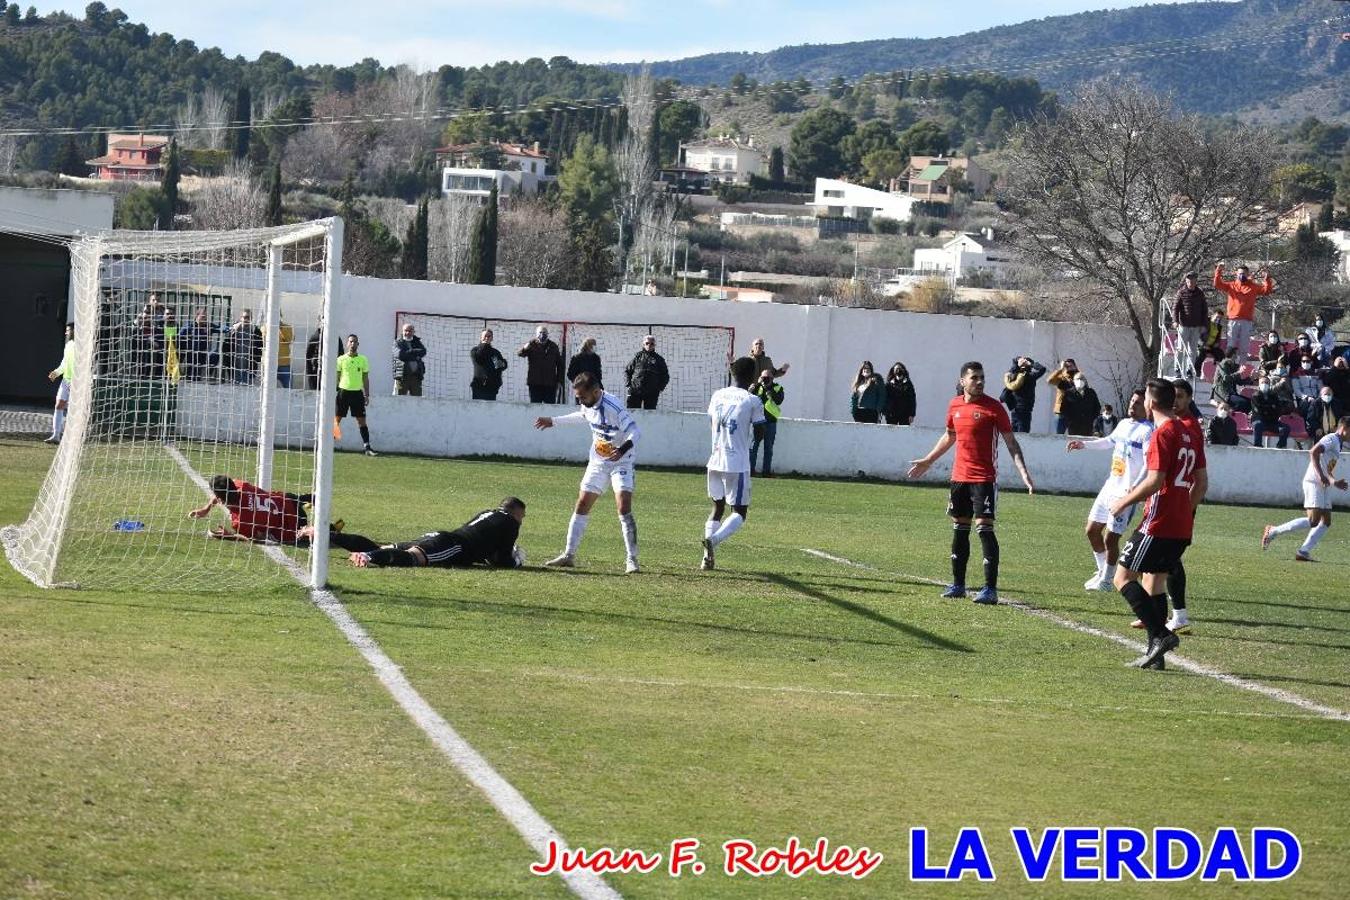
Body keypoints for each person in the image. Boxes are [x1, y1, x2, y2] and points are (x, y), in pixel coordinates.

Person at [907, 361, 1035, 605]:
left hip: (984, 479)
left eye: (982, 377)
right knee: (959, 528)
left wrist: (1023, 472)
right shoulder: (954, 405)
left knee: (984, 528)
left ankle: (990, 589)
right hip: (959, 478)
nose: (979, 381)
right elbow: (950, 436)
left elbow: (1011, 443)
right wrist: (928, 460)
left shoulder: (994, 408)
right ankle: (958, 585)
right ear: (962, 380)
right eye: (974, 377)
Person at [1109, 378, 1206, 668]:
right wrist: (1184, 512)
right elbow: (1201, 483)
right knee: (1156, 582)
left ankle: (1161, 635)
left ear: (1151, 403)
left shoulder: (1162, 433)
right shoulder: (1188, 431)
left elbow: (1155, 481)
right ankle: (1156, 654)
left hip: (1158, 521)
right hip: (1180, 523)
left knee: (1122, 578)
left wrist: (1122, 502)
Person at [534, 372, 641, 574]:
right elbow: (582, 415)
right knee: (582, 503)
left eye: (582, 397)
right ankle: (568, 555)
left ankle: (632, 559)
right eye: (578, 397)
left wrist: (622, 450)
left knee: (623, 507)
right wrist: (553, 421)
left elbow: (636, 432)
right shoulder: (589, 403)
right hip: (599, 461)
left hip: (621, 462)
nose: (580, 400)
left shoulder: (614, 407)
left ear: (595, 391)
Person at [1066, 388, 1152, 591]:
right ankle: (1103, 572)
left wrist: (1135, 486)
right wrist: (1083, 444)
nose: (1133, 405)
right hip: (1110, 487)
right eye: (1132, 401)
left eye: (1138, 402)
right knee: (1091, 530)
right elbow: (1108, 442)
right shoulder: (1122, 424)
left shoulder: (1148, 431)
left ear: (1147, 407)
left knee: (1111, 538)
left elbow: (1149, 464)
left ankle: (1106, 581)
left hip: (1125, 494)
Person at [701, 356, 767, 571]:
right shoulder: (752, 400)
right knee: (739, 512)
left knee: (717, 508)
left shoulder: (717, 395)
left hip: (715, 459)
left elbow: (711, 421)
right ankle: (714, 541)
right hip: (737, 463)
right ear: (752, 376)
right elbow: (760, 431)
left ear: (732, 374)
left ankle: (706, 558)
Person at [337, 498, 526, 569]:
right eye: (522, 516)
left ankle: (326, 535)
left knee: (385, 548)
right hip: (453, 546)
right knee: (412, 558)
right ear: (516, 512)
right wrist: (517, 561)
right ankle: (367, 556)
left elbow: (484, 544)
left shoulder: (488, 513)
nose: (521, 520)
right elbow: (502, 560)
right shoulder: (510, 523)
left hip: (440, 537)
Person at [1262, 416, 1350, 562]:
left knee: (1326, 521)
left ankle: (1303, 552)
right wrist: (1322, 476)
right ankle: (1272, 531)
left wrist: (1333, 481)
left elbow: (1326, 464)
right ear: (1344, 428)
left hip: (1323, 483)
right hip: (1314, 482)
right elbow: (1313, 452)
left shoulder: (1338, 443)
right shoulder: (1332, 439)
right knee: (1313, 520)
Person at [186, 474, 339, 545]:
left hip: (293, 524)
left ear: (219, 498)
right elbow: (227, 492)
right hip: (288, 500)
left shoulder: (240, 521)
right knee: (283, 497)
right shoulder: (242, 486)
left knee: (282, 535)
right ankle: (311, 498)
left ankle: (330, 529)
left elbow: (255, 538)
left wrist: (229, 535)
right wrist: (206, 509)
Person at [1213, 263, 1274, 360]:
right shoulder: (1231, 285)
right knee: (1231, 346)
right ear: (1236, 274)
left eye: (1244, 273)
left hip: (1246, 321)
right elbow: (1217, 284)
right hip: (1233, 320)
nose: (1242, 275)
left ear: (1248, 274)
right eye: (1240, 273)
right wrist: (1218, 271)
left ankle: (1242, 369)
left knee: (1244, 347)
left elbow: (1267, 291)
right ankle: (1228, 367)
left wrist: (1267, 279)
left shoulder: (1253, 286)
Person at [334, 333, 376, 456]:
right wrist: (336, 390)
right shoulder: (340, 359)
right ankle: (329, 445)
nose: (353, 344)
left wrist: (367, 395)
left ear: (358, 344)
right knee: (337, 419)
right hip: (343, 392)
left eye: (355, 342)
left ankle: (367, 447)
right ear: (347, 344)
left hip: (357, 394)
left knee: (361, 421)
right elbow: (336, 377)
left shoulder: (363, 359)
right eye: (351, 342)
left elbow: (365, 378)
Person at [1171, 271, 1209, 378]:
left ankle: (1189, 370)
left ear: (1196, 281)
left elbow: (1204, 310)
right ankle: (1177, 369)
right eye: (1189, 280)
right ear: (1186, 281)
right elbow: (1175, 308)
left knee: (1192, 350)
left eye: (1193, 280)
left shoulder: (1200, 293)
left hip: (1196, 326)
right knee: (1180, 348)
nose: (1191, 282)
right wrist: (1175, 321)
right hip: (1184, 325)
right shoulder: (1181, 292)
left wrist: (1204, 325)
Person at [45, 323, 75, 444]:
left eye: (68, 330)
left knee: (74, 410)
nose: (66, 333)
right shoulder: (68, 345)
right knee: (59, 406)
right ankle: (56, 435)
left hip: (77, 382)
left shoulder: (82, 345)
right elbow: (64, 363)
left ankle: (73, 438)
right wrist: (56, 373)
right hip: (66, 380)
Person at [750, 368, 784, 477]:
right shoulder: (757, 387)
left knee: (768, 448)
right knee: (754, 446)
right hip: (758, 422)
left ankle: (766, 472)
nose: (765, 379)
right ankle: (750, 470)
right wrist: (754, 386)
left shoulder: (777, 388)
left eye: (768, 377)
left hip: (771, 422)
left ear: (772, 378)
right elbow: (747, 396)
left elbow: (779, 401)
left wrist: (771, 393)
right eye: (763, 377)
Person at [518, 325, 564, 404]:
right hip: (535, 383)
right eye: (540, 332)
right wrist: (524, 348)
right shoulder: (531, 344)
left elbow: (560, 365)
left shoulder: (553, 346)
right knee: (535, 407)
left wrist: (559, 380)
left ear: (548, 334)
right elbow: (520, 354)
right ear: (536, 334)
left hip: (550, 384)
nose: (542, 335)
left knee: (549, 408)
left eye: (544, 333)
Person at [624, 335, 670, 410]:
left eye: (652, 344)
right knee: (632, 413)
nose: (649, 345)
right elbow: (627, 371)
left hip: (651, 393)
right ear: (643, 344)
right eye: (647, 343)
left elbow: (665, 376)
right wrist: (629, 385)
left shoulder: (659, 359)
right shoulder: (637, 357)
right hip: (635, 391)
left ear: (654, 345)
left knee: (650, 416)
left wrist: (658, 389)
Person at [1002, 356, 1045, 433]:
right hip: (1023, 409)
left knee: (1015, 432)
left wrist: (1017, 362)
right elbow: (1042, 369)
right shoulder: (1031, 376)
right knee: (1023, 434)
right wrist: (1031, 364)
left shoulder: (1015, 375)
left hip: (1015, 408)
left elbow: (1011, 372)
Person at [177, 308, 221, 382]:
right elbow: (179, 336)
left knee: (215, 354)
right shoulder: (190, 326)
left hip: (203, 354)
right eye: (203, 317)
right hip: (191, 355)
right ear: (197, 316)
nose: (205, 318)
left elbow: (221, 328)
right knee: (192, 378)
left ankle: (207, 374)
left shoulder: (208, 326)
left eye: (206, 317)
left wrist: (231, 327)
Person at [222, 309, 263, 385]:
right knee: (235, 390)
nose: (246, 319)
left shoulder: (255, 330)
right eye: (245, 317)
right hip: (234, 367)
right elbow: (225, 346)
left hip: (249, 367)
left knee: (247, 391)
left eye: (249, 317)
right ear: (241, 318)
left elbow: (260, 346)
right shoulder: (234, 329)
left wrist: (257, 358)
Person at [1249, 373, 1290, 449]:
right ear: (1259, 385)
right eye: (1262, 382)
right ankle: (1258, 446)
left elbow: (1278, 410)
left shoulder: (1274, 395)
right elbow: (1258, 411)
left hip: (1272, 422)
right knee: (1258, 426)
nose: (1265, 384)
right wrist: (1271, 407)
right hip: (1259, 421)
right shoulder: (1255, 396)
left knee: (1286, 428)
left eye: (1266, 383)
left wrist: (1268, 408)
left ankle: (1280, 446)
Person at [469, 329, 508, 401]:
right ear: (481, 338)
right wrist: (483, 345)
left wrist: (503, 364)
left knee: (490, 409)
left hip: (492, 387)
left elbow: (502, 366)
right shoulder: (475, 350)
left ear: (492, 338)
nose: (487, 338)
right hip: (479, 386)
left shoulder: (495, 352)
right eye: (485, 336)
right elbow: (478, 358)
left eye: (489, 336)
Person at [1211, 347, 1253, 412]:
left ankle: (1242, 419)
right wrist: (1239, 372)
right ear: (1233, 355)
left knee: (1251, 403)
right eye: (1237, 354)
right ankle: (1232, 415)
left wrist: (1251, 377)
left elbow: (1240, 382)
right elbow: (1226, 378)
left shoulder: (1234, 366)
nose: (1237, 356)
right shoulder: (1223, 364)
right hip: (1224, 394)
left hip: (1232, 394)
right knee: (1243, 403)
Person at [1046, 358, 1081, 435]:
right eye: (1067, 366)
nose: (1069, 367)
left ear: (1075, 366)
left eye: (1071, 366)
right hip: (1061, 411)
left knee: (1074, 435)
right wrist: (1060, 369)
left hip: (1074, 411)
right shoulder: (1062, 377)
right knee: (1059, 436)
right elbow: (1049, 380)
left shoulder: (1079, 377)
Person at [393, 322, 427, 396]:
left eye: (410, 330)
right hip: (402, 377)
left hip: (416, 377)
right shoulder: (398, 342)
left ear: (413, 332)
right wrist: (415, 354)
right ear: (402, 331)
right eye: (406, 330)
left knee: (417, 401)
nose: (408, 332)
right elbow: (400, 355)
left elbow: (423, 352)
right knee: (399, 400)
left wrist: (409, 352)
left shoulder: (417, 342)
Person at [1062, 371, 1101, 436]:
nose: (1079, 381)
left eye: (1081, 379)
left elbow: (1097, 407)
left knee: (1086, 444)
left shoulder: (1091, 392)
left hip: (1088, 426)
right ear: (1074, 381)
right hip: (1074, 426)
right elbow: (1064, 409)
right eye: (1077, 379)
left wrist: (1092, 419)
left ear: (1085, 381)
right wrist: (1069, 421)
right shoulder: (1069, 393)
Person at [275, 317, 294, 388]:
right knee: (267, 389)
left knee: (288, 389)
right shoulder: (264, 328)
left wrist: (281, 328)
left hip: (284, 364)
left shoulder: (287, 328)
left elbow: (289, 340)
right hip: (269, 365)